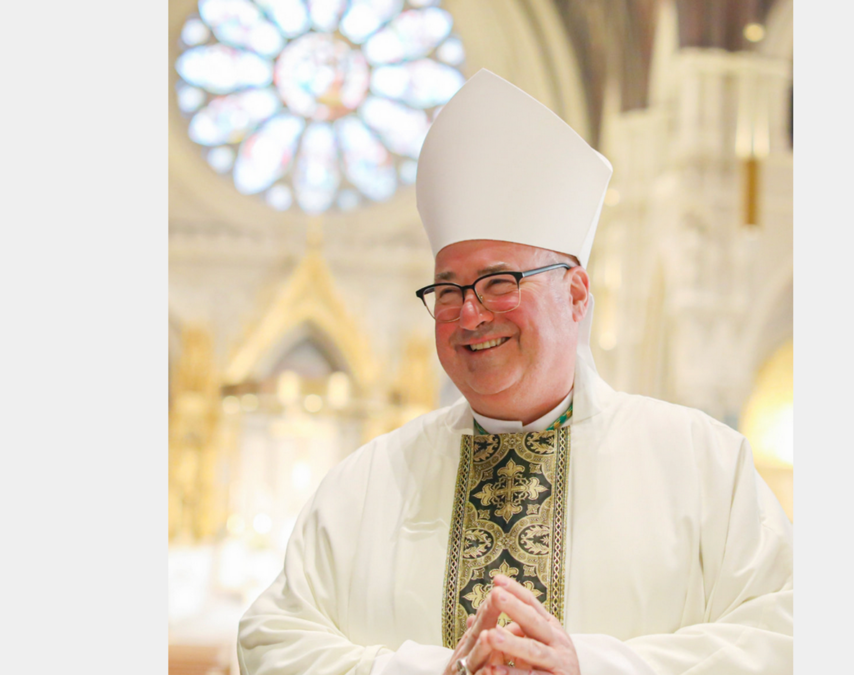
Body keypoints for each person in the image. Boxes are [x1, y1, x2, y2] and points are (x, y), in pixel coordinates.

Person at [237, 70, 793, 675]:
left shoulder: (701, 463)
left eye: (500, 282)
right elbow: (269, 641)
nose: (470, 313)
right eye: (448, 291)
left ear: (576, 294)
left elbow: (789, 632)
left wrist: (591, 667)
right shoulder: (366, 484)